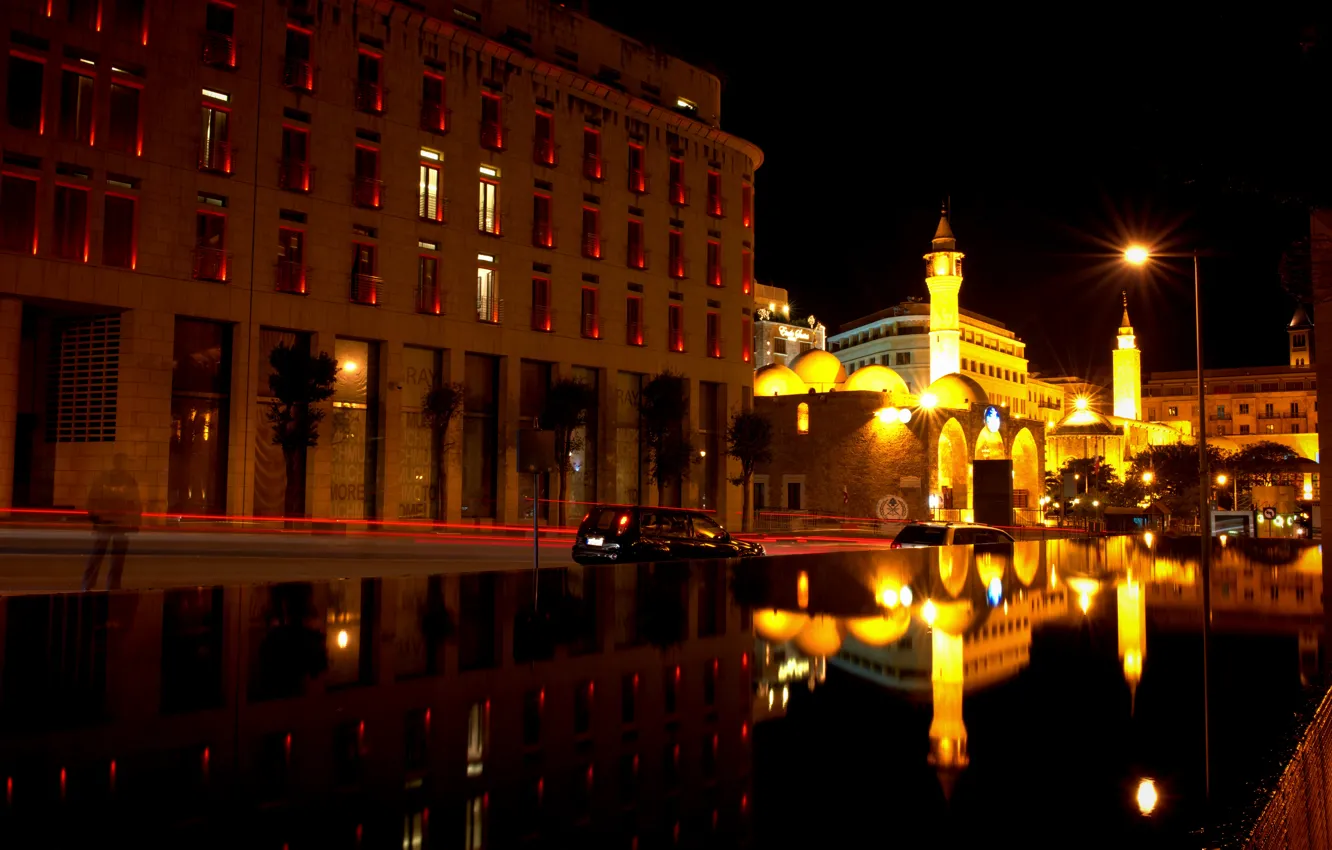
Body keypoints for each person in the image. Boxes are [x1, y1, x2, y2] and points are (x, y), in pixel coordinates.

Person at [83, 453, 142, 591]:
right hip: (117, 522)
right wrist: (135, 522)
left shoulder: (106, 478)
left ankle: (89, 585)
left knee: (100, 555)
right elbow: (136, 503)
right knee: (114, 558)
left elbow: (93, 498)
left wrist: (93, 516)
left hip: (109, 522)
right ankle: (110, 587)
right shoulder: (128, 480)